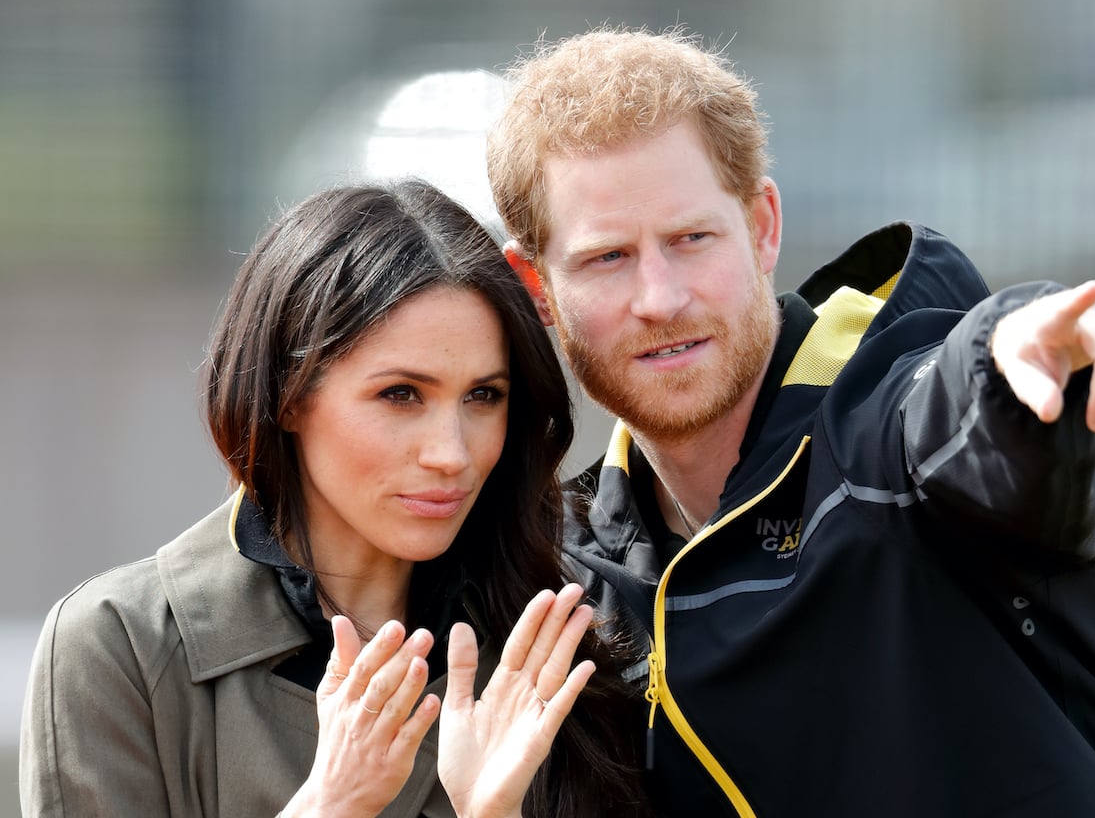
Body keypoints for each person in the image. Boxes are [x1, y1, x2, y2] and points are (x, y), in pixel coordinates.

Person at [486, 26, 1095, 817]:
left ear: (762, 227)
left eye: (691, 239)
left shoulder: (887, 428)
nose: (660, 297)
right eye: (607, 258)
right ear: (536, 286)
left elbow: (960, 404)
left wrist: (1016, 348)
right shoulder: (571, 585)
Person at [19, 180, 650, 817]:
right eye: (401, 394)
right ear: (289, 395)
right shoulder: (120, 649)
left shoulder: (556, 640)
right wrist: (328, 806)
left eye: (483, 395)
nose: (452, 453)